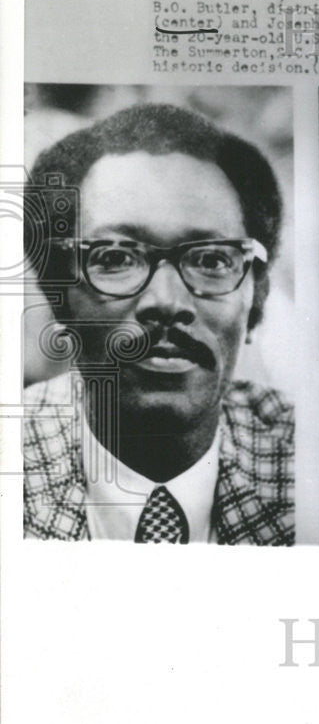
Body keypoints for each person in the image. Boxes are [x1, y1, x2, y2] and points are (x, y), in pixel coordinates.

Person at [22, 103, 294, 544]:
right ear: (60, 300)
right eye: (115, 258)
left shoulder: (315, 458)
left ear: (255, 299)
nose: (166, 302)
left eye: (210, 260)